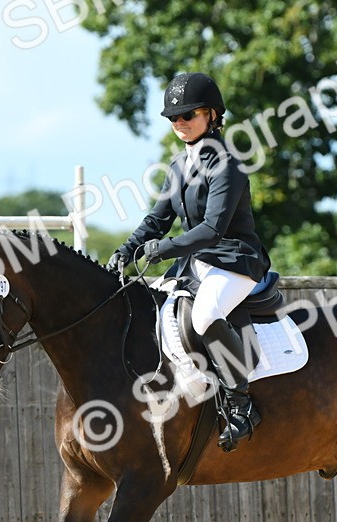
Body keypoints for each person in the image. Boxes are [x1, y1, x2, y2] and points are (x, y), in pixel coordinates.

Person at [109, 72, 271, 452]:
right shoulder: (179, 165)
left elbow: (214, 228)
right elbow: (157, 219)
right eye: (173, 118)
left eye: (189, 115)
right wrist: (127, 250)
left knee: (203, 317)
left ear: (213, 115)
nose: (180, 123)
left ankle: (240, 402)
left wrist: (163, 250)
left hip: (234, 261)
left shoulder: (228, 164)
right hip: (195, 264)